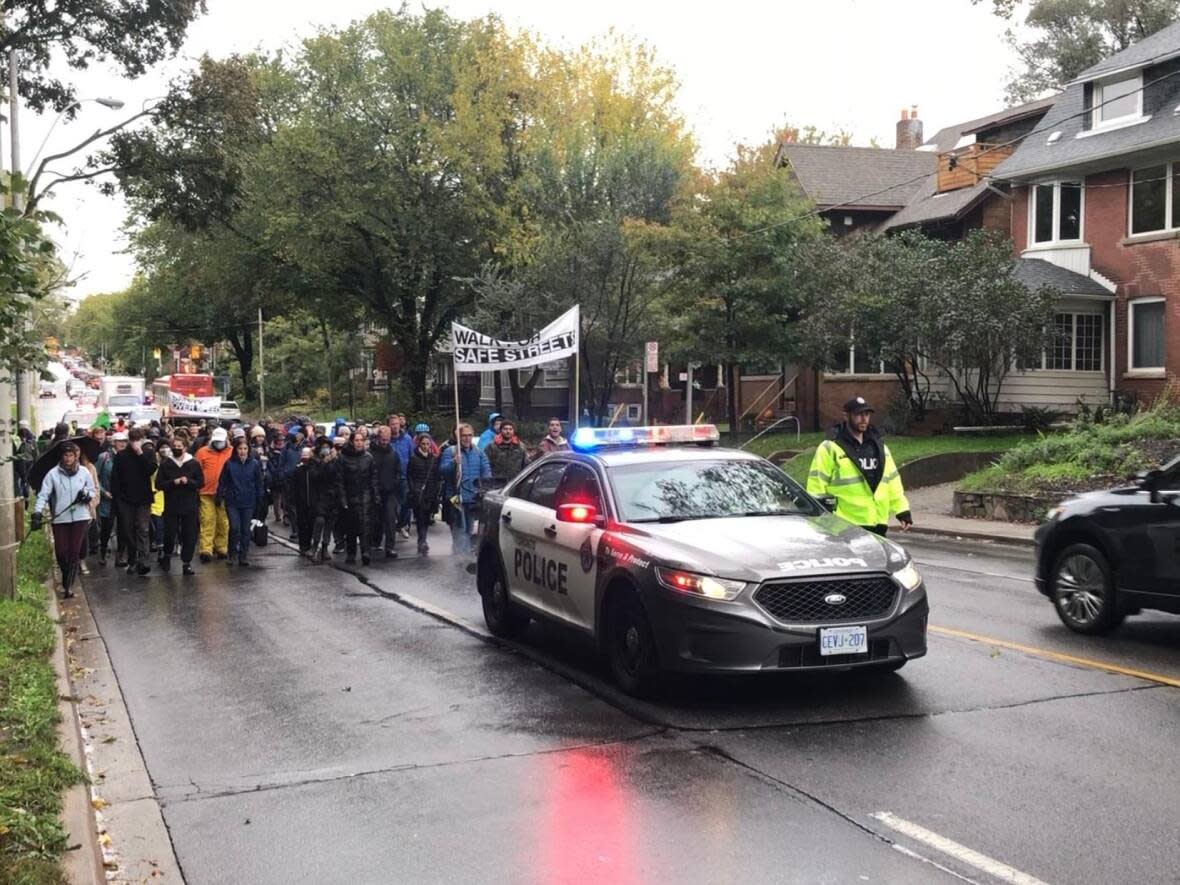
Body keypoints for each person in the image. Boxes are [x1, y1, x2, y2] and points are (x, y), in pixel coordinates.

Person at [806, 396, 912, 537]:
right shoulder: (831, 447)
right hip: (844, 525)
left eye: (867, 414)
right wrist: (820, 518)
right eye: (858, 414)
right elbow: (816, 485)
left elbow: (892, 481)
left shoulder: (879, 448)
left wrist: (902, 510)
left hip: (877, 524)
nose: (864, 419)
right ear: (846, 416)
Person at [31, 441, 96, 599]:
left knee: (74, 551)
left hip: (80, 517)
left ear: (76, 456)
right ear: (62, 457)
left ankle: (69, 585)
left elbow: (92, 490)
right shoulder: (53, 474)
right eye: (65, 455)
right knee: (61, 552)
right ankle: (65, 573)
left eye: (71, 455)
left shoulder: (84, 472)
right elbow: (43, 494)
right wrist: (37, 512)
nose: (68, 459)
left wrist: (86, 496)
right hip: (61, 517)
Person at [109, 427, 157, 576]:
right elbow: (115, 479)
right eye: (133, 440)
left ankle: (144, 561)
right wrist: (116, 500)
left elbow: (150, 469)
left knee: (143, 529)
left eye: (139, 440)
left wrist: (140, 454)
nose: (136, 443)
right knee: (128, 531)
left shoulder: (148, 454)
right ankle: (132, 560)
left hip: (143, 499)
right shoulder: (121, 456)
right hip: (125, 500)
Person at [440, 423, 491, 556]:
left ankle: (465, 553)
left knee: (469, 528)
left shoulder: (479, 453)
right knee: (459, 527)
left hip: (473, 497)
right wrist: (453, 463)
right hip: (455, 496)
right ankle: (460, 556)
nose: (467, 438)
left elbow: (486, 474)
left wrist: (484, 490)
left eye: (469, 435)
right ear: (458, 436)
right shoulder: (450, 452)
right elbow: (442, 471)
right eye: (464, 435)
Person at [156, 434, 204, 574]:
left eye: (179, 447)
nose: (177, 449)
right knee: (170, 533)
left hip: (189, 505)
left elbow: (201, 482)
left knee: (189, 534)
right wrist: (172, 483)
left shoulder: (193, 463)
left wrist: (188, 481)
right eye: (174, 446)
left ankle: (187, 562)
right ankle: (167, 555)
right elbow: (159, 484)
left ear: (185, 448)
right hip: (171, 505)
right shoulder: (166, 464)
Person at [217, 435, 265, 567]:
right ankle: (232, 554)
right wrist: (219, 496)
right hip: (232, 501)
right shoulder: (229, 464)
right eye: (240, 448)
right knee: (234, 528)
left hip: (249, 501)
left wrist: (260, 498)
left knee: (245, 530)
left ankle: (243, 555)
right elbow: (222, 482)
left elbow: (259, 483)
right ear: (235, 449)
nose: (242, 451)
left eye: (245, 448)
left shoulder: (254, 464)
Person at [338, 428, 378, 565]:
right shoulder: (343, 457)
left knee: (366, 525)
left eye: (361, 440)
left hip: (365, 495)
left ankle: (365, 552)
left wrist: (375, 496)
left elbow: (373, 478)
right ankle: (351, 553)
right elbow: (340, 480)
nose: (359, 443)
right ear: (351, 441)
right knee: (351, 527)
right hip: (350, 495)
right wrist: (342, 499)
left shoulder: (368, 457)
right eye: (356, 440)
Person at [195, 427, 232, 562]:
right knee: (207, 520)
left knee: (223, 521)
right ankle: (206, 549)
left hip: (224, 493)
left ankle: (222, 547)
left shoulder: (231, 452)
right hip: (206, 492)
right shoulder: (202, 452)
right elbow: (196, 470)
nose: (219, 444)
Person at [307, 438, 345, 563]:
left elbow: (339, 477)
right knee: (320, 520)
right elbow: (315, 476)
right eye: (323, 447)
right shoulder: (314, 461)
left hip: (333, 496)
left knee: (330, 523)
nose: (325, 449)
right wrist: (324, 463)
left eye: (327, 447)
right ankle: (314, 546)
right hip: (319, 496)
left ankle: (325, 547)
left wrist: (334, 460)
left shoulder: (336, 461)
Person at [406, 430, 440, 556]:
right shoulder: (414, 459)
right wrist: (414, 489)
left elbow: (436, 477)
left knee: (426, 518)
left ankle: (423, 540)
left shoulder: (433, 459)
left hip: (430, 493)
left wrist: (436, 491)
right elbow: (410, 476)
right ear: (419, 444)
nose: (426, 446)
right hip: (418, 493)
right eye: (423, 444)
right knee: (420, 517)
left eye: (428, 444)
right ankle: (422, 540)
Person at [369, 425, 402, 558]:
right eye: (382, 439)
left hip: (390, 492)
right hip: (374, 491)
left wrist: (394, 483)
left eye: (387, 440)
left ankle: (390, 547)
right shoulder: (370, 454)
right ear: (378, 438)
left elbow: (399, 472)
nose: (384, 442)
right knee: (375, 520)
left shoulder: (393, 454)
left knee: (390, 520)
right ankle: (374, 542)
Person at [95, 432, 126, 567]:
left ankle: (120, 556)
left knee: (123, 527)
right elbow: (95, 478)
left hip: (122, 499)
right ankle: (102, 552)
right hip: (107, 498)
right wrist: (103, 492)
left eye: (125, 441)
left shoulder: (127, 457)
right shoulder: (104, 457)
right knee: (106, 528)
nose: (123, 444)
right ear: (113, 442)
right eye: (120, 441)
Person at [389, 416, 414, 540]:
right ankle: (392, 526)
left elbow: (413, 456)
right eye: (392, 424)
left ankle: (403, 525)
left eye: (397, 424)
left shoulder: (408, 439)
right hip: (390, 477)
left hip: (405, 476)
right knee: (392, 505)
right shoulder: (385, 439)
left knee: (406, 503)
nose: (395, 426)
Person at [290, 446, 316, 555]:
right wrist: (294, 500)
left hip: (312, 502)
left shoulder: (314, 469)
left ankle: (308, 544)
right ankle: (303, 545)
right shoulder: (298, 470)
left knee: (310, 524)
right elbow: (294, 487)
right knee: (302, 524)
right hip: (301, 502)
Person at [486, 418, 529, 483]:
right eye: (505, 429)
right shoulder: (491, 446)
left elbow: (526, 466)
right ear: (500, 430)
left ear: (513, 431)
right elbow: (486, 465)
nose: (508, 431)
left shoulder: (520, 447)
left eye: (510, 429)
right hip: (497, 484)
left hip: (515, 483)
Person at [13, 419, 36, 500]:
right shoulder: (31, 438)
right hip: (26, 462)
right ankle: (24, 497)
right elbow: (35, 452)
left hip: (23, 462)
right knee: (24, 480)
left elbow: (13, 451)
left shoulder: (16, 438)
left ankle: (23, 497)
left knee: (22, 480)